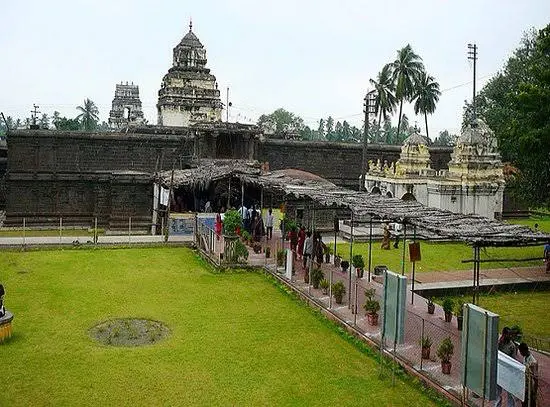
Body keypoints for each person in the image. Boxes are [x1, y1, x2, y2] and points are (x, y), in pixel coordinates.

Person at [495, 327, 517, 407]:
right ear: (504, 334)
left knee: (510, 392)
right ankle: (497, 405)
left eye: (510, 335)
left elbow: (513, 360)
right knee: (497, 391)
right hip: (499, 370)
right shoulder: (499, 342)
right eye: (508, 334)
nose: (510, 336)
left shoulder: (512, 346)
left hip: (508, 372)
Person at [518, 342, 538, 407]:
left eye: (520, 352)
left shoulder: (533, 362)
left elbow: (536, 379)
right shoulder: (525, 357)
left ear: (524, 351)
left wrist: (534, 392)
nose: (520, 354)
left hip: (530, 389)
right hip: (525, 387)